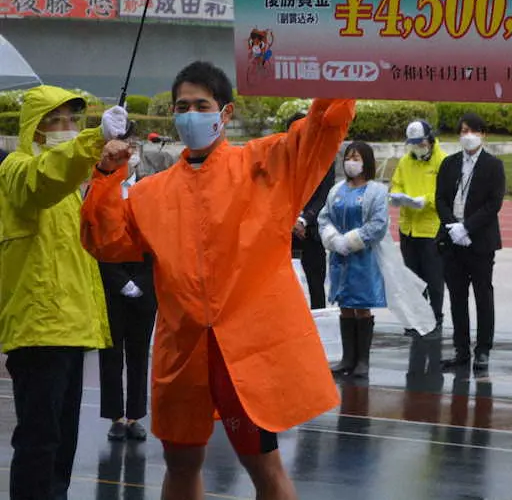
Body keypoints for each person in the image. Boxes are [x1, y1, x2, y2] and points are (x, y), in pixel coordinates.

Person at [80, 61, 355, 500]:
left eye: (201, 105)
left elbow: (322, 128)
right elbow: (106, 240)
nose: (190, 114)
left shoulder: (266, 165)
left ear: (225, 113)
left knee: (263, 464)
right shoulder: (151, 192)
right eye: (182, 106)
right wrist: (107, 174)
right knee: (180, 462)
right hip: (182, 350)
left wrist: (338, 67)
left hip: (248, 350)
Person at [0, 85, 124, 500]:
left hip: (69, 329)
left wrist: (103, 169)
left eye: (73, 119)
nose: (68, 127)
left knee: (60, 445)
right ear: (35, 129)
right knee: (40, 443)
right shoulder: (16, 170)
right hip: (39, 331)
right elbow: (45, 177)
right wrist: (94, 139)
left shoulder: (70, 188)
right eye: (57, 121)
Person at [436, 113, 506, 372]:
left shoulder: (493, 165)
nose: (468, 136)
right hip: (452, 239)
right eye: (464, 131)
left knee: (482, 296)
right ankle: (461, 350)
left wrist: (467, 227)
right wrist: (452, 226)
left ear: (483, 134)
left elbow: (493, 204)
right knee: (457, 297)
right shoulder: (449, 163)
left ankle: (483, 350)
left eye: (473, 131)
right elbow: (440, 198)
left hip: (480, 241)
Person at [98, 148, 157, 442]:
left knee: (138, 354)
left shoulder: (151, 191)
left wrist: (142, 282)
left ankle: (135, 415)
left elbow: (160, 240)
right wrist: (120, 281)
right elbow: (96, 240)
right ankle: (115, 417)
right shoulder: (102, 191)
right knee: (111, 355)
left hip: (145, 286)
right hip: (112, 286)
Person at [319, 141, 388, 379]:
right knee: (345, 304)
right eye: (348, 157)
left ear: (366, 162)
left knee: (362, 305)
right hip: (339, 258)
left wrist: (352, 241)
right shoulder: (336, 190)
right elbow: (324, 218)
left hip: (363, 258)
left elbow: (378, 224)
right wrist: (334, 239)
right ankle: (347, 358)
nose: (351, 162)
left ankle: (362, 360)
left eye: (356, 158)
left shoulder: (376, 191)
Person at [390, 119, 447, 328]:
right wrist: (397, 196)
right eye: (413, 143)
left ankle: (435, 318)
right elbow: (396, 184)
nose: (417, 147)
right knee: (412, 278)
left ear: (430, 139)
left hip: (431, 228)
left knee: (434, 278)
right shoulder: (405, 161)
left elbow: (445, 192)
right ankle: (417, 318)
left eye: (420, 142)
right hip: (408, 228)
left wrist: (427, 200)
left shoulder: (442, 161)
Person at [288, 111, 339, 310]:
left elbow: (325, 195)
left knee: (316, 285)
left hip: (312, 230)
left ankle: (318, 324)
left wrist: (303, 219)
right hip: (285, 230)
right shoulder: (281, 158)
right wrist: (291, 220)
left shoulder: (325, 157)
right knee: (285, 287)